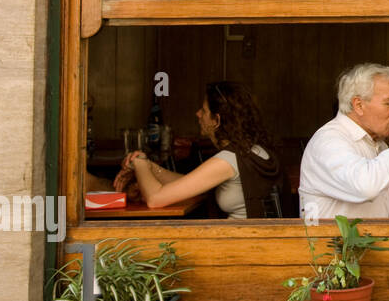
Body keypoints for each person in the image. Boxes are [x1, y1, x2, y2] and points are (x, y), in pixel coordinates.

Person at [116, 81, 289, 218]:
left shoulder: (227, 161)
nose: (198, 114)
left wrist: (139, 162)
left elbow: (155, 199)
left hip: (236, 245)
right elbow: (192, 184)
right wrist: (151, 167)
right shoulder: (253, 150)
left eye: (204, 110)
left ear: (217, 120)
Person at [298, 63, 389, 220]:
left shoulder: (377, 142)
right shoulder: (328, 141)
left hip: (376, 242)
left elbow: (375, 203)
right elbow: (365, 188)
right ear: (359, 105)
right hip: (340, 245)